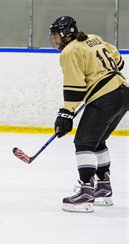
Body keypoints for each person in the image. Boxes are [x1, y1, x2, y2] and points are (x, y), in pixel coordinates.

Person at [50, 16, 128, 212]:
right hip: (124, 93)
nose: (55, 41)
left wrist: (66, 113)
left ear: (65, 34)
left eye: (56, 36)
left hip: (106, 98)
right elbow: (118, 61)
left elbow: (75, 88)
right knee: (97, 142)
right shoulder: (94, 38)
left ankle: (85, 192)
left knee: (83, 142)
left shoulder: (69, 51)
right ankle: (103, 188)